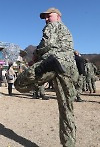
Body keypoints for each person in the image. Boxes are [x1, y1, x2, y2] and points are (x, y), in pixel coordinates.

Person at [14, 8, 79, 147]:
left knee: (18, 84)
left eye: (49, 16)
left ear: (58, 16)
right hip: (66, 67)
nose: (46, 19)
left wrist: (36, 55)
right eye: (45, 17)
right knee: (67, 109)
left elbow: (47, 44)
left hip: (52, 63)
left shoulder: (52, 26)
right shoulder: (66, 31)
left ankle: (40, 79)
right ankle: (69, 144)